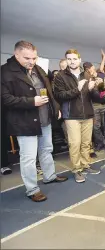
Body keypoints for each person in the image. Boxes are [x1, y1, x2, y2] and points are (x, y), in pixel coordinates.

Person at [1, 41, 68, 201]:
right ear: (16, 54)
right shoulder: (5, 72)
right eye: (27, 58)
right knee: (29, 157)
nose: (31, 61)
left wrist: (55, 108)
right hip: (24, 121)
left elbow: (49, 90)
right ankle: (32, 189)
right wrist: (31, 102)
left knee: (47, 149)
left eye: (34, 58)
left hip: (44, 118)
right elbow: (5, 99)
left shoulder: (38, 68)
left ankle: (50, 176)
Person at [53, 49, 105, 183]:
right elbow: (59, 95)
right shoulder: (60, 76)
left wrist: (96, 89)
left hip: (87, 114)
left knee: (86, 143)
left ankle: (85, 165)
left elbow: (95, 96)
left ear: (79, 60)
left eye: (74, 59)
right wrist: (77, 89)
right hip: (71, 115)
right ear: (66, 60)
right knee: (75, 143)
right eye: (69, 59)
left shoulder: (86, 75)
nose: (72, 61)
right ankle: (77, 169)